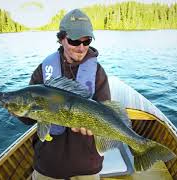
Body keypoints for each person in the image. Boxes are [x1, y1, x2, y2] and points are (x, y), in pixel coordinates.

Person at [18, 9, 111, 180]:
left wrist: (94, 128)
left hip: (87, 165)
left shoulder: (97, 72)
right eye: (74, 41)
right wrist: (16, 108)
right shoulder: (44, 71)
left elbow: (106, 111)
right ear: (61, 39)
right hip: (49, 164)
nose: (81, 47)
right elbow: (26, 119)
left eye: (87, 41)